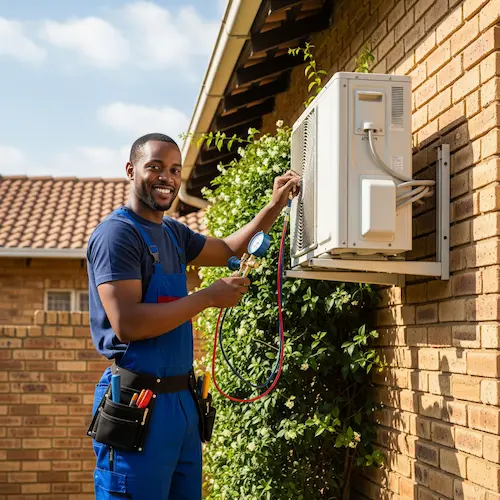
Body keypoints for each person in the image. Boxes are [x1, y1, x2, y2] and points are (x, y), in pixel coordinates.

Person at [86, 132, 300, 500]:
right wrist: (207, 297)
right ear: (130, 170)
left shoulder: (172, 232)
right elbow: (129, 323)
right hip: (138, 403)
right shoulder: (116, 236)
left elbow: (232, 248)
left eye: (173, 169)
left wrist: (275, 204)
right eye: (154, 167)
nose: (165, 177)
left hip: (181, 405)